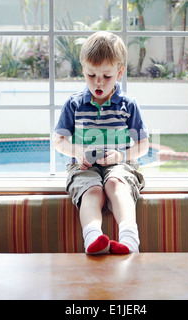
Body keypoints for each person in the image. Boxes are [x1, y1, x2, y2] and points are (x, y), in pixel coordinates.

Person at [54, 31, 149, 255]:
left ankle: (129, 240)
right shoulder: (74, 104)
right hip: (84, 167)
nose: (98, 82)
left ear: (119, 72)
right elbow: (59, 140)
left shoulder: (128, 104)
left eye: (106, 76)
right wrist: (76, 151)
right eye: (91, 75)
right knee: (92, 190)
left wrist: (122, 156)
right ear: (83, 70)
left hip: (120, 166)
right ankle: (93, 239)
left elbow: (143, 145)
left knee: (117, 184)